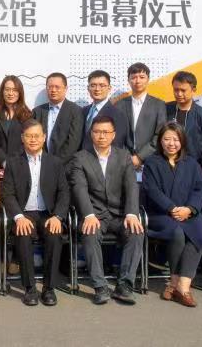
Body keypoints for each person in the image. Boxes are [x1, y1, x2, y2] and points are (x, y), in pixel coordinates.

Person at [69, 116, 144, 305]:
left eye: (105, 132)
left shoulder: (124, 156)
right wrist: (88, 214)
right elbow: (79, 188)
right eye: (97, 132)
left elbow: (132, 186)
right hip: (95, 214)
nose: (101, 136)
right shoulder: (80, 158)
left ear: (113, 135)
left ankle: (125, 285)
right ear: (91, 134)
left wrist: (132, 213)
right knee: (90, 232)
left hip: (120, 214)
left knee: (136, 232)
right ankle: (100, 286)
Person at [1, 119, 69, 306]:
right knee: (22, 234)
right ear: (22, 138)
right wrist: (18, 217)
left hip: (48, 214)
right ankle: (30, 288)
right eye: (29, 136)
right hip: (24, 214)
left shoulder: (55, 162)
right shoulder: (13, 163)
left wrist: (58, 216)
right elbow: (7, 194)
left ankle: (49, 288)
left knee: (54, 235)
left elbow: (64, 192)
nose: (33, 140)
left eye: (37, 136)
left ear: (44, 137)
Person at [142, 122, 202, 308]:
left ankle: (182, 286)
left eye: (176, 139)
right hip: (161, 213)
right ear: (160, 141)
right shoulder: (152, 162)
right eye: (167, 139)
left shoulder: (191, 163)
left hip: (188, 213)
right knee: (177, 232)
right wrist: (171, 208)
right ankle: (174, 282)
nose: (171, 143)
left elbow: (200, 188)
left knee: (197, 233)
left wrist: (190, 209)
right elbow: (152, 190)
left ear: (182, 141)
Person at [116, 62, 167, 174]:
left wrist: (140, 157)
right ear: (128, 80)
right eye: (133, 77)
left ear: (148, 79)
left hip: (151, 161)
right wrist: (128, 157)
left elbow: (160, 134)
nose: (137, 81)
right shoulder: (120, 105)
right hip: (124, 162)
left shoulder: (158, 105)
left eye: (142, 77)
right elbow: (117, 135)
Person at [165, 71, 202, 168]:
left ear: (193, 90)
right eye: (176, 90)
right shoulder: (165, 109)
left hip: (193, 167)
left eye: (183, 90)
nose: (179, 94)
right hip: (167, 165)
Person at [32, 72, 83, 164]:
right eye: (50, 87)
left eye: (57, 87)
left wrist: (56, 164)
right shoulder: (37, 111)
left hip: (66, 165)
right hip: (41, 164)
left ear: (65, 88)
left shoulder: (76, 111)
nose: (53, 90)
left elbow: (73, 142)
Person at [0, 75, 32, 171]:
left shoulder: (27, 115)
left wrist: (14, 161)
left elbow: (29, 140)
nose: (10, 93)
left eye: (14, 90)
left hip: (21, 164)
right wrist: (4, 160)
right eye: (7, 89)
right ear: (2, 92)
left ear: (20, 92)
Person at [81, 70, 127, 151]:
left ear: (109, 88)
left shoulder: (118, 114)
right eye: (93, 85)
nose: (97, 89)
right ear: (88, 88)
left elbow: (117, 144)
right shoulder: (83, 111)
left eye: (102, 85)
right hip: (81, 157)